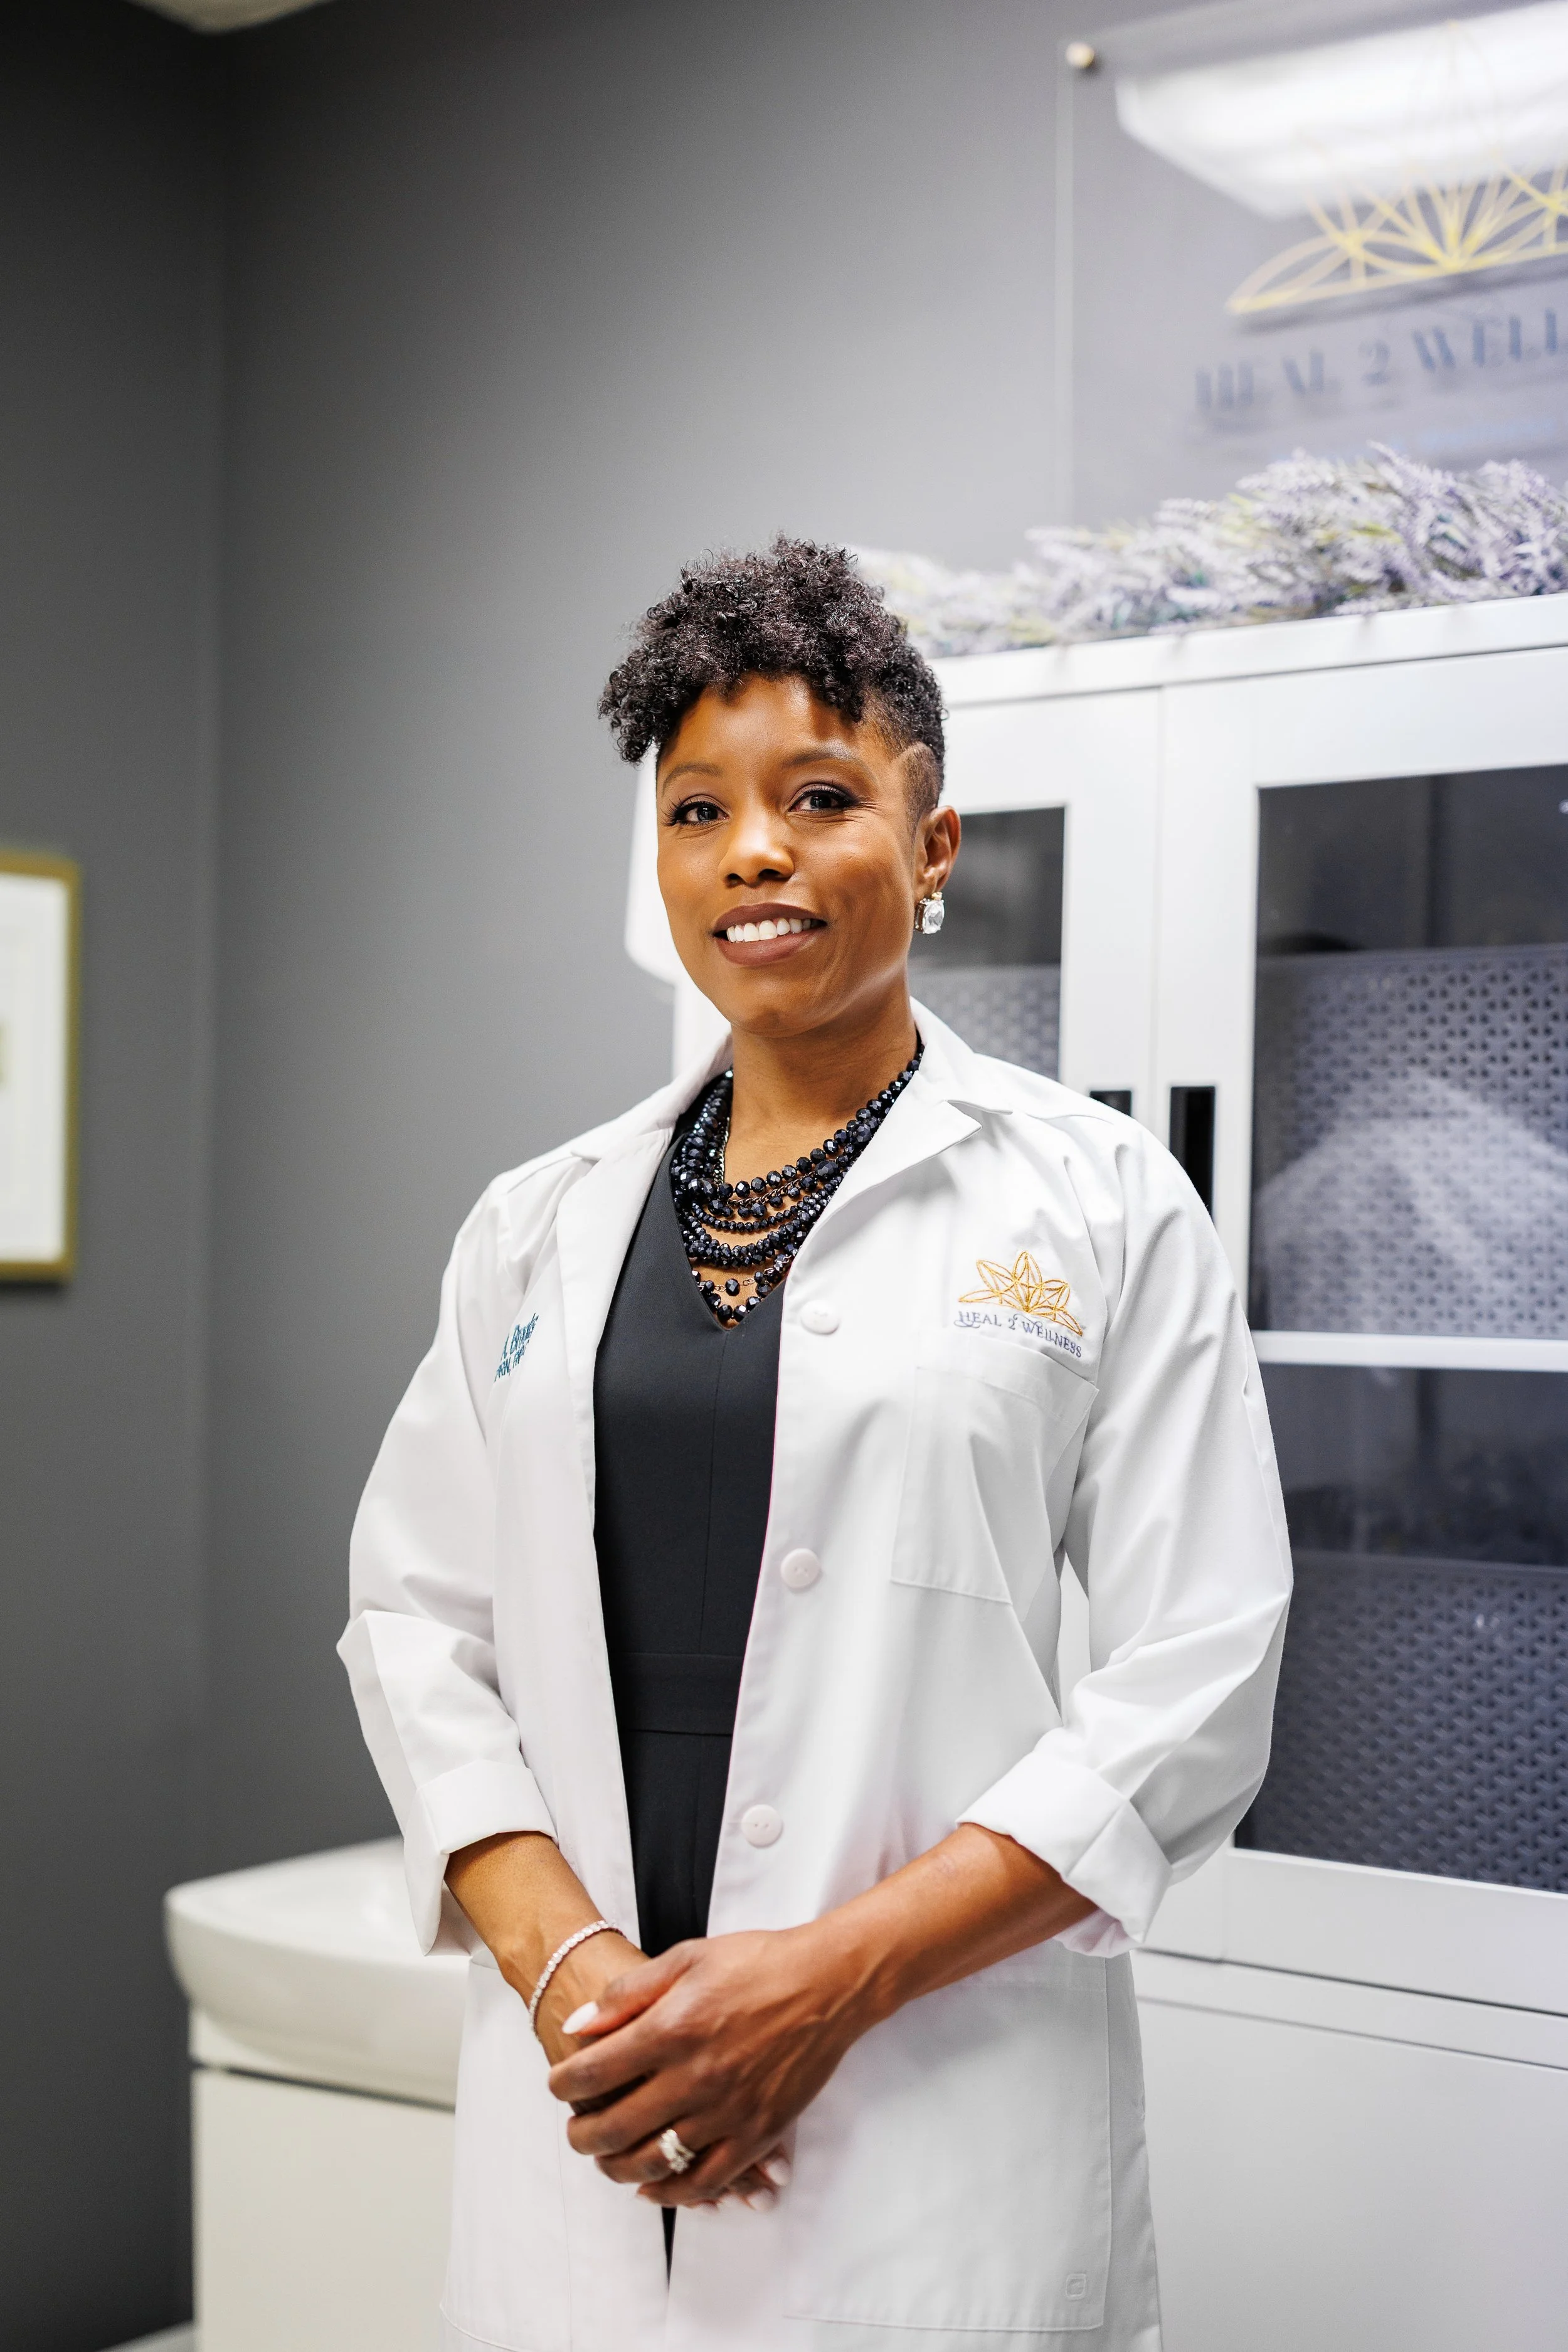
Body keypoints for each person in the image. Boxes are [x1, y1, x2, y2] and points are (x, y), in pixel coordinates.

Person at [340, 538, 1292, 2352]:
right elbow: (411, 1624)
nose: (752, 851)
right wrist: (573, 1975)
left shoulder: (1097, 1201)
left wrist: (822, 1983)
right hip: (587, 2100)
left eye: (820, 796)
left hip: (934, 2113)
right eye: (697, 808)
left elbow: (1198, 1669)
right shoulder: (534, 1223)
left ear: (933, 848)